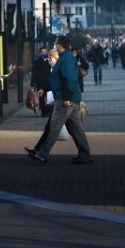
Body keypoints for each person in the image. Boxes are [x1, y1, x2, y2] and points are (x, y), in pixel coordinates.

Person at [28, 35, 92, 165]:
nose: (54, 46)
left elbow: (69, 79)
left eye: (56, 44)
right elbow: (58, 78)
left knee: (54, 127)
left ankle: (41, 154)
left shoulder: (66, 59)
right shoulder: (66, 58)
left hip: (65, 99)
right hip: (69, 98)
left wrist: (67, 98)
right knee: (76, 129)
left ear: (59, 45)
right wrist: (45, 89)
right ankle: (84, 155)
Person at [29, 45, 53, 118]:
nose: (44, 53)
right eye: (42, 52)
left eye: (45, 52)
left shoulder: (50, 62)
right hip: (40, 84)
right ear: (39, 53)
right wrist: (32, 85)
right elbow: (33, 74)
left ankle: (49, 111)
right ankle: (43, 112)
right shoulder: (36, 62)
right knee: (41, 99)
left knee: (50, 99)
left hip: (49, 83)